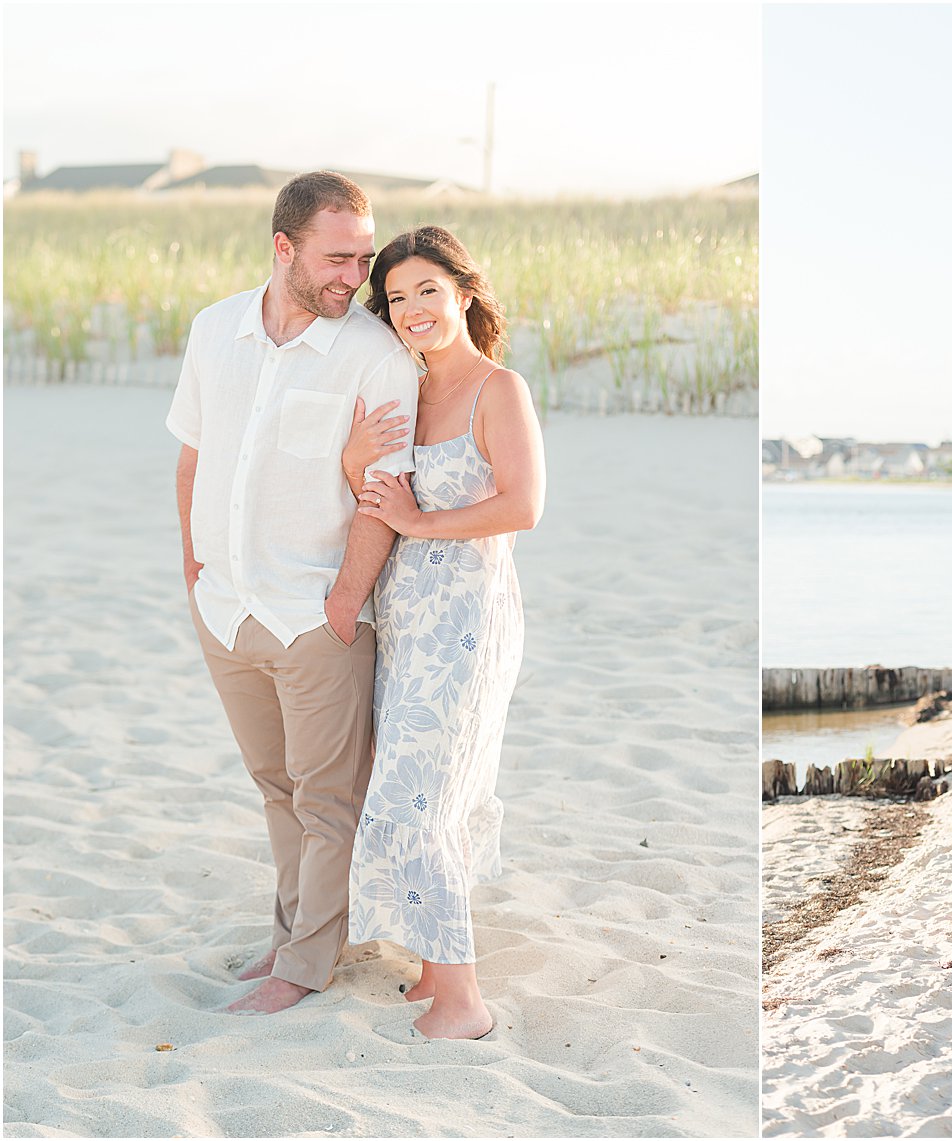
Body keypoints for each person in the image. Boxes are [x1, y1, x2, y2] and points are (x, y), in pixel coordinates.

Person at [167, 172, 419, 1014]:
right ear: (284, 248)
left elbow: (382, 492)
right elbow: (193, 457)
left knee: (326, 798)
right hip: (226, 607)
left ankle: (305, 965)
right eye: (338, 257)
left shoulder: (375, 356)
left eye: (364, 255)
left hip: (315, 615)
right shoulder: (213, 332)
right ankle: (292, 931)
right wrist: (193, 568)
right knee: (274, 784)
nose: (358, 275)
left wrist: (344, 602)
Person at [339, 225, 546, 1039]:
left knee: (416, 800)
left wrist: (422, 523)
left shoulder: (501, 388)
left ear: (464, 292)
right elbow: (375, 498)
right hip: (404, 618)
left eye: (428, 289)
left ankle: (464, 1001)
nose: (414, 308)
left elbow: (524, 506)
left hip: (467, 620)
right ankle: (432, 971)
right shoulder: (404, 389)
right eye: (396, 297)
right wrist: (358, 464)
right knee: (421, 790)